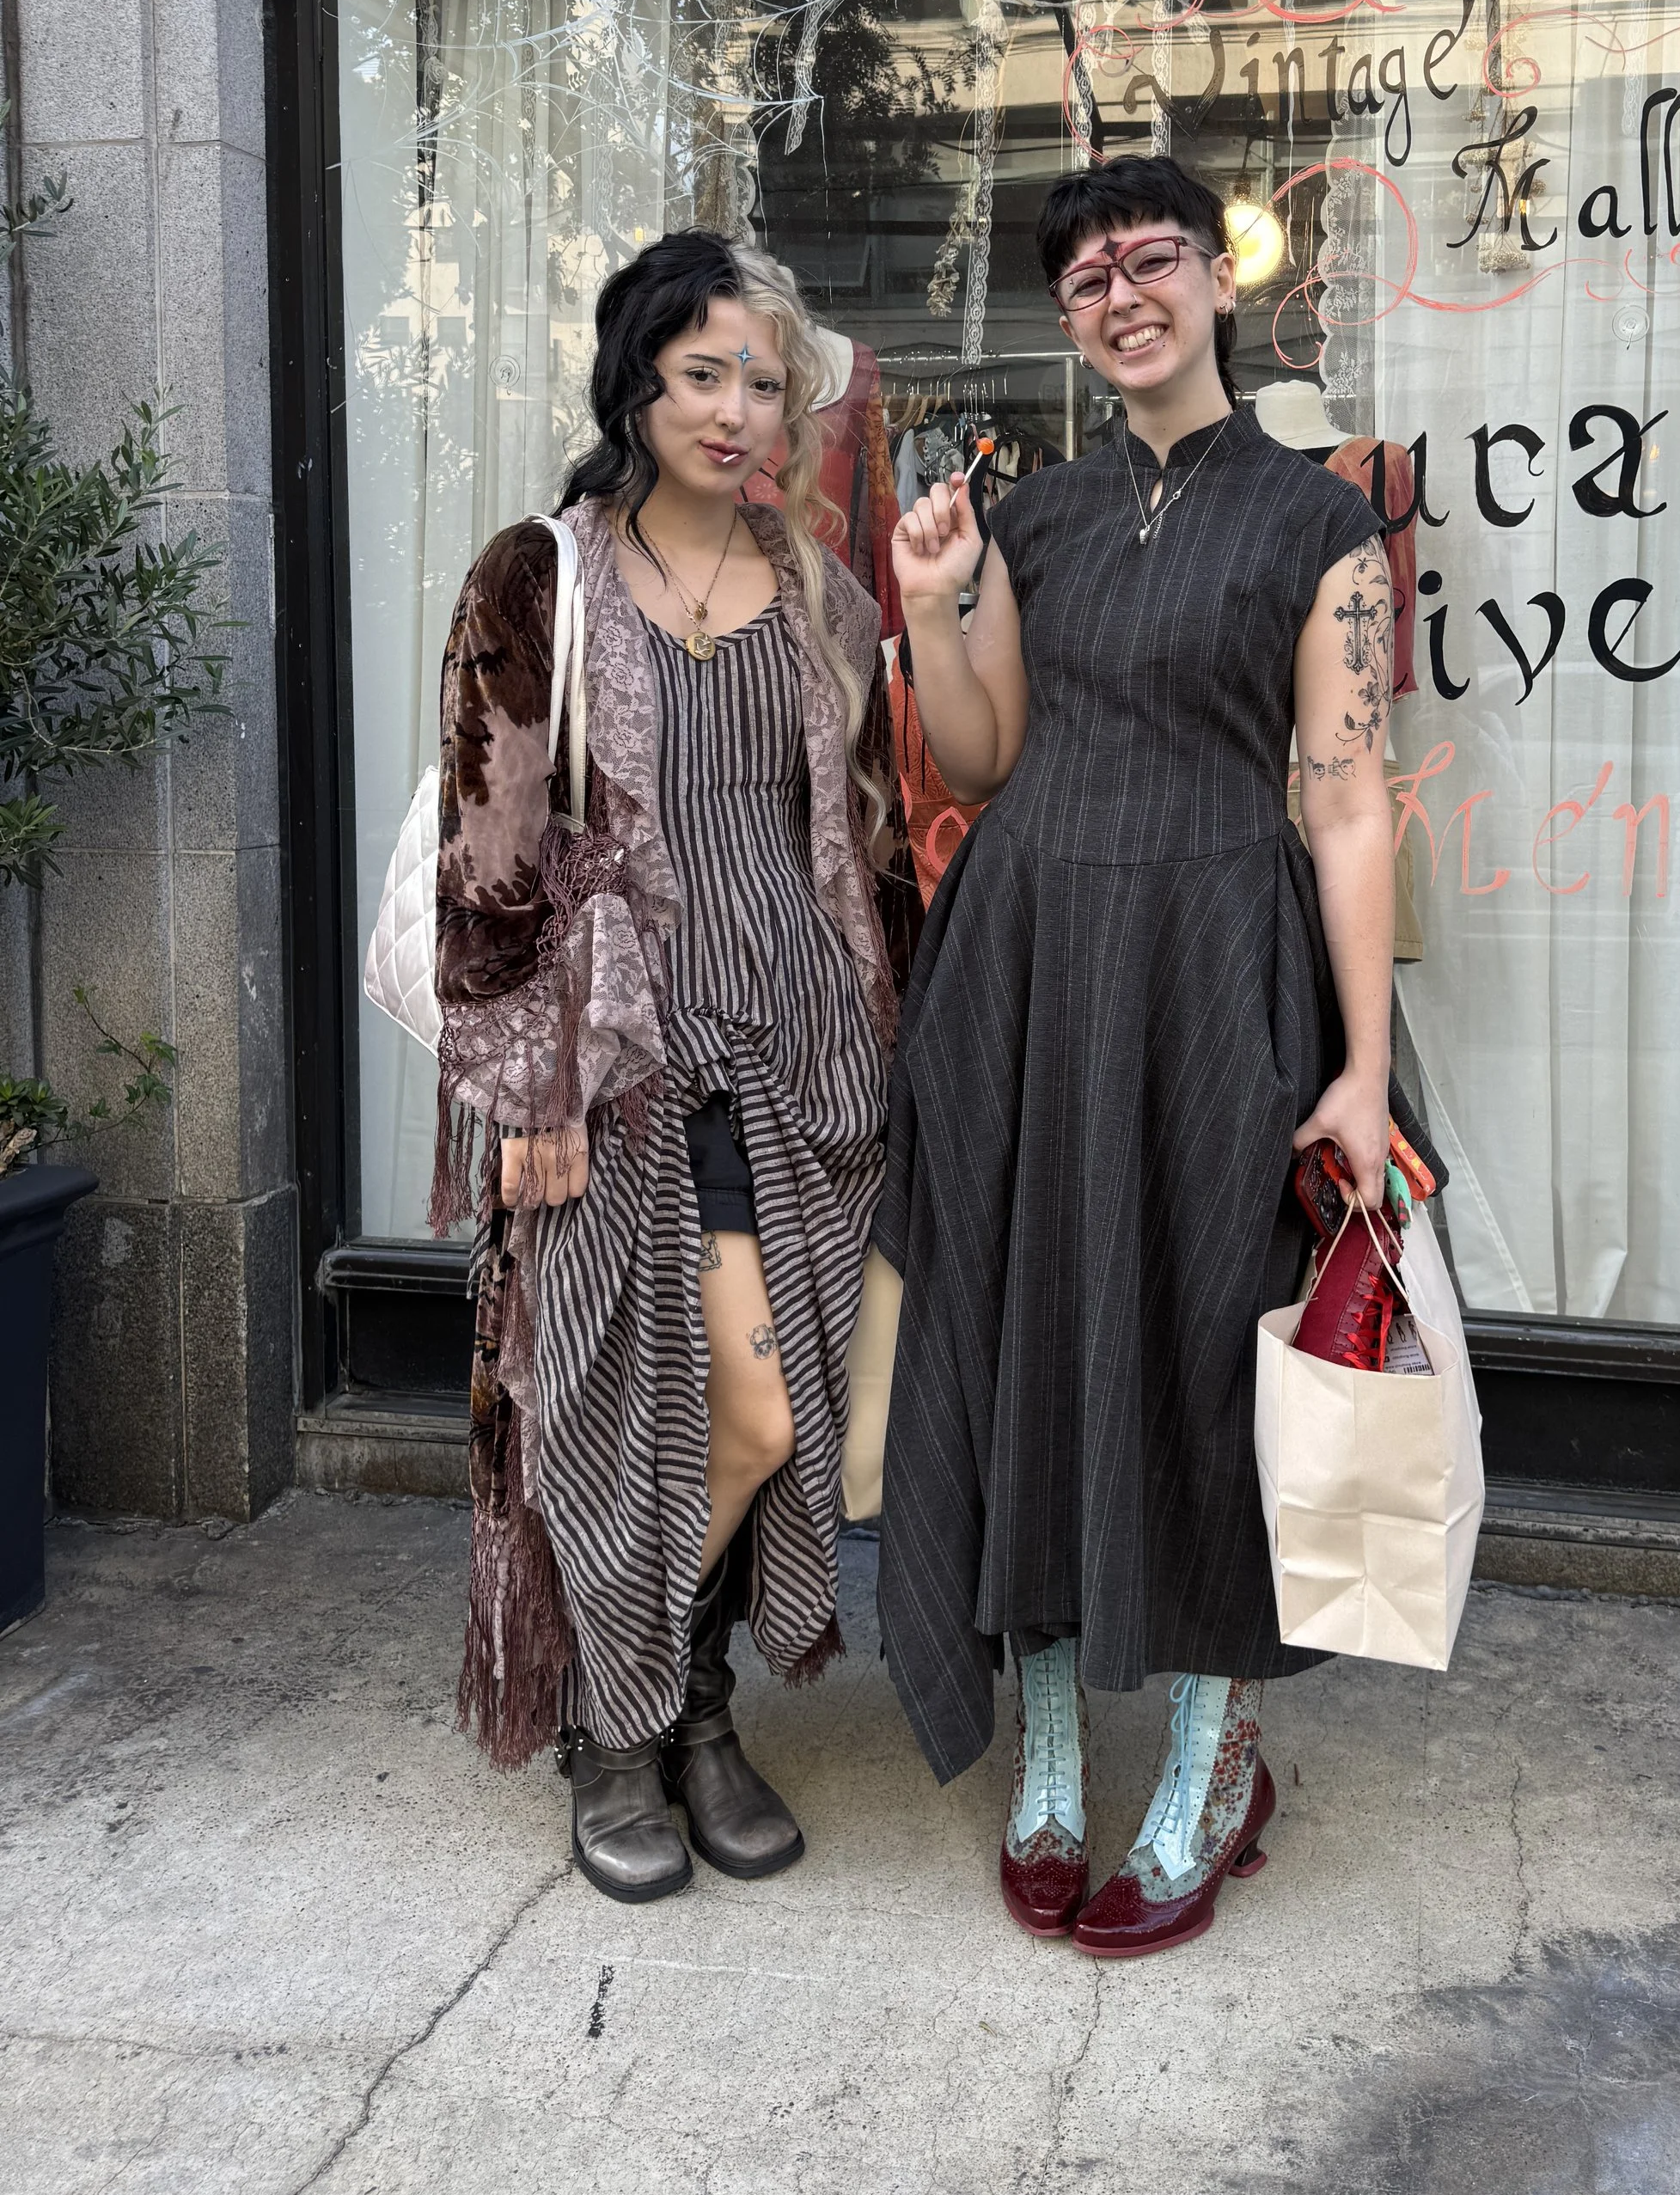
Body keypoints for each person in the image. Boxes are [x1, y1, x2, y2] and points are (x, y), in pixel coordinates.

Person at [877, 156, 1396, 1959]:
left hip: (1217, 971)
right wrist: (936, 601)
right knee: (1026, 1330)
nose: (1120, 291)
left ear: (1215, 285)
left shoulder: (1320, 525)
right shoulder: (1033, 519)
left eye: (1150, 257)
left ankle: (1210, 1740)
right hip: (1026, 961)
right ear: (1068, 315)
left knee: (1202, 1347)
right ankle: (1042, 1734)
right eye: (1086, 272)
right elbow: (975, 758)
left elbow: (1341, 796)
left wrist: (1363, 1065)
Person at [430, 231, 908, 1904]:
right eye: (701, 370)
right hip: (621, 1061)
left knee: (760, 1413)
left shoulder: (820, 593)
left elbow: (852, 838)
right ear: (635, 379)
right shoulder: (537, 581)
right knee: (653, 1403)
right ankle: (629, 1721)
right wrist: (528, 1081)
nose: (734, 406)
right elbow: (489, 854)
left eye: (761, 379)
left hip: (795, 1053)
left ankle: (675, 1704)